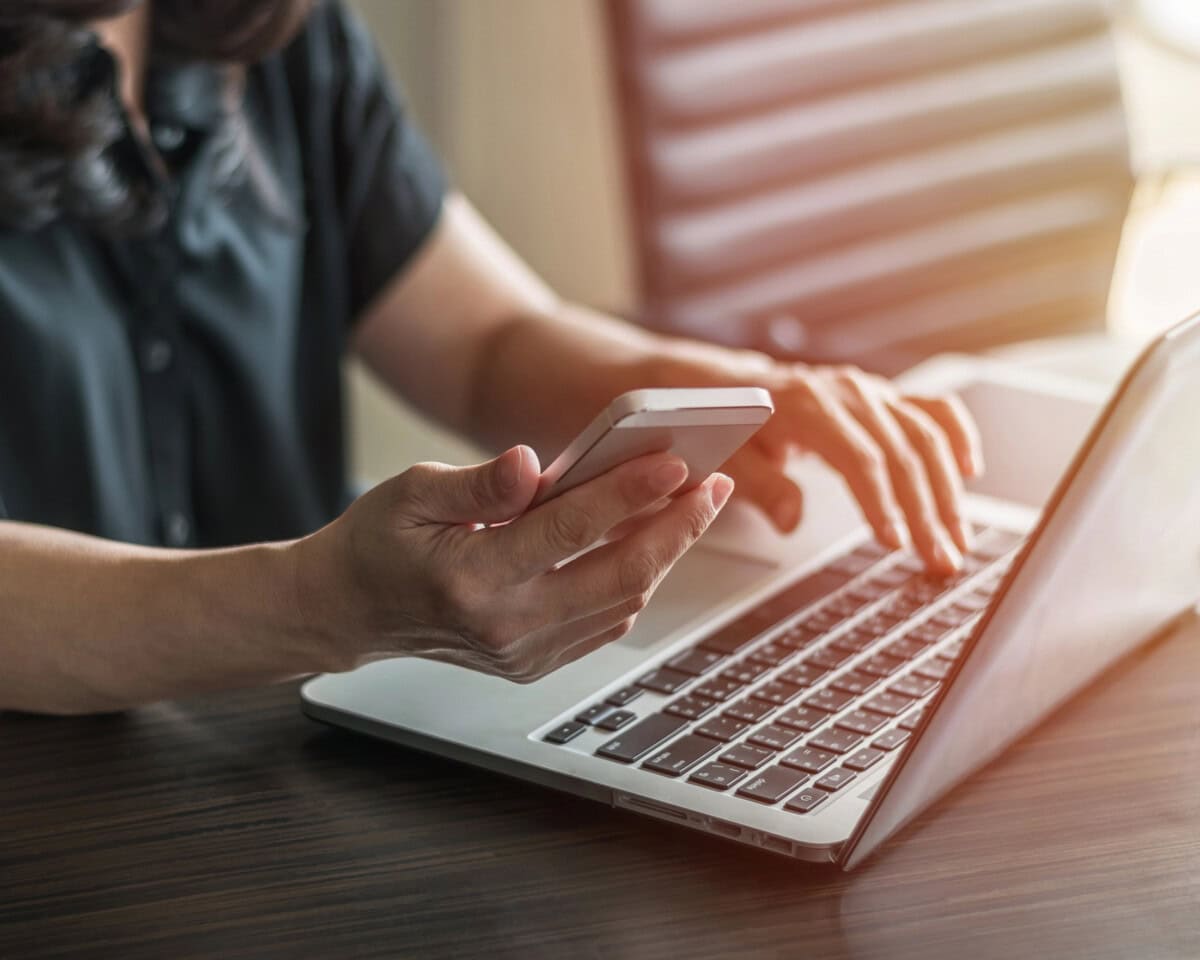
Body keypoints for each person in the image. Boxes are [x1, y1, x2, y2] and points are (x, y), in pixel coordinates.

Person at [0, 0, 983, 716]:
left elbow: (482, 343)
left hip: (280, 769)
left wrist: (737, 392)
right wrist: (316, 605)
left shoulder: (279, 38)